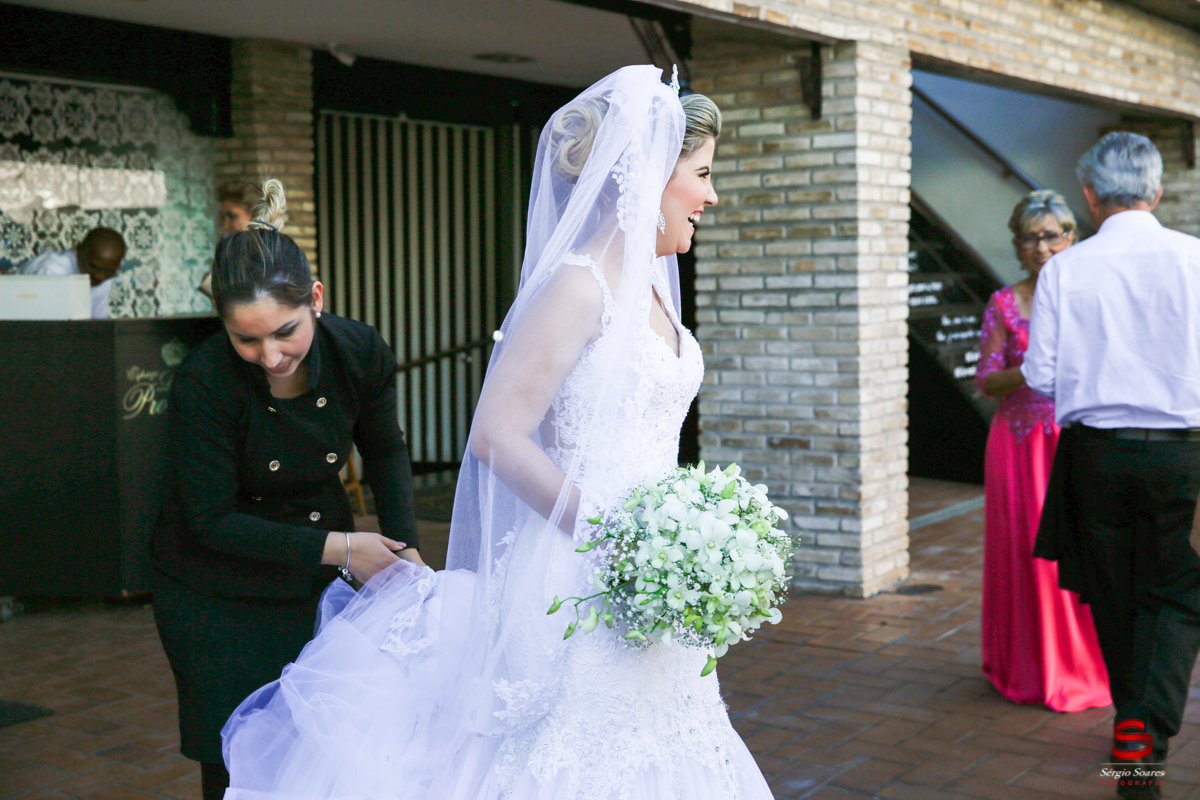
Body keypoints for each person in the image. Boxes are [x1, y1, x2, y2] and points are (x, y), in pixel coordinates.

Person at [221, 66, 774, 799]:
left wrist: (679, 542)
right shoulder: (579, 287)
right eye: (700, 175)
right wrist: (618, 534)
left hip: (648, 580)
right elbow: (496, 435)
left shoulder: (650, 284)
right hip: (580, 570)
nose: (710, 196)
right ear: (644, 175)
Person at [150, 179, 424, 800]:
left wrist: (402, 549)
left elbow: (384, 450)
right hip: (213, 589)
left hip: (311, 574)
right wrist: (348, 548)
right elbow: (211, 521)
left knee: (323, 743)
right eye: (246, 338)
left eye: (285, 332)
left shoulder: (359, 352)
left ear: (316, 299)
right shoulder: (203, 384)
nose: (270, 355)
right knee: (238, 757)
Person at [1025, 132, 1200, 800]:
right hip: (1187, 454)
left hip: (1095, 453)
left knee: (1115, 592)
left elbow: (1040, 374)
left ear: (1091, 197)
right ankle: (1143, 732)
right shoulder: (1196, 259)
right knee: (1180, 593)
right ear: (1156, 192)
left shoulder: (1066, 269)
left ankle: (1136, 735)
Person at [976, 190, 1111, 713]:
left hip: (1078, 439)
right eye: (1031, 238)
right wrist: (1027, 374)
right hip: (1019, 445)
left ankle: (1087, 664)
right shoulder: (1005, 303)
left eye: (1053, 234)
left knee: (1086, 552)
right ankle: (1029, 665)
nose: (1043, 247)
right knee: (1029, 557)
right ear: (1017, 244)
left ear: (1072, 237)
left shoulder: (1092, 295)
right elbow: (986, 380)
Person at [17, 227, 125, 318]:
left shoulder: (103, 277)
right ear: (79, 251)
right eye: (94, 267)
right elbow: (39, 325)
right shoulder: (51, 271)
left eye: (108, 273)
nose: (100, 276)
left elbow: (98, 323)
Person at [200, 182, 264, 300]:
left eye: (232, 216)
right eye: (223, 218)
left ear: (255, 215)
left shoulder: (270, 252)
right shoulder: (233, 251)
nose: (226, 226)